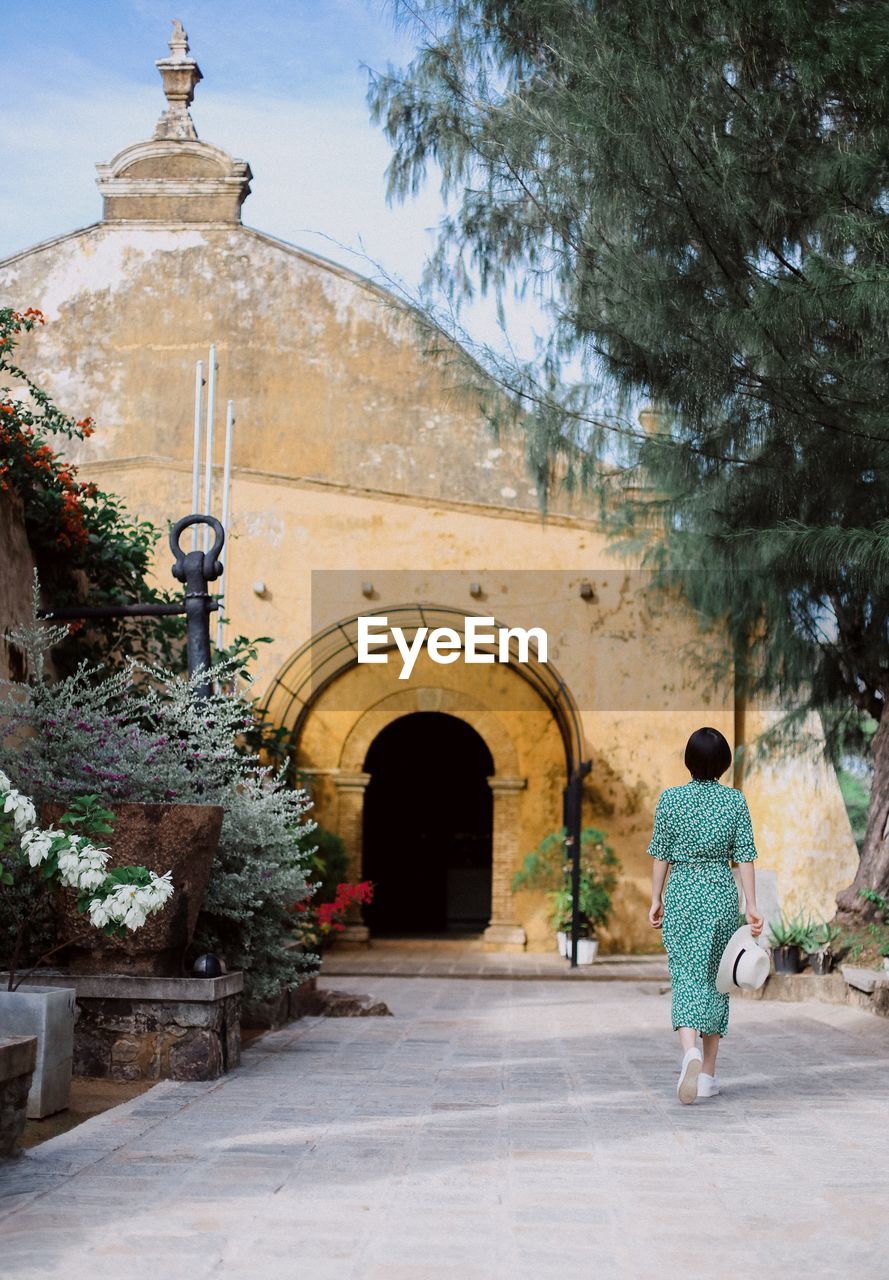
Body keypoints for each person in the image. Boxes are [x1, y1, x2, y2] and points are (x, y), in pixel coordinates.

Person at [647, 726, 764, 1104]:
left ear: (689, 760)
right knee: (718, 980)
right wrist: (751, 904)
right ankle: (709, 1076)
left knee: (685, 975)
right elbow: (744, 856)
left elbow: (660, 853)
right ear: (724, 763)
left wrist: (656, 897)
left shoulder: (671, 800)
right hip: (719, 895)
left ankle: (689, 1052)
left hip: (682, 893)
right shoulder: (734, 802)